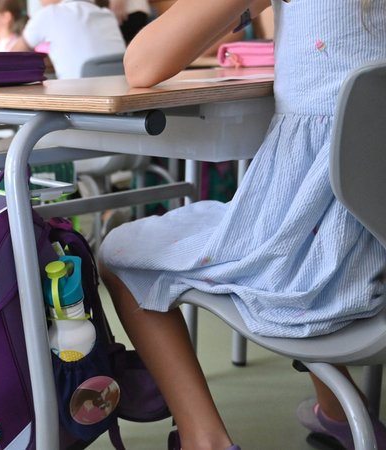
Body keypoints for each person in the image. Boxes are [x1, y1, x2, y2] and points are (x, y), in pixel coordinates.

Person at [98, 1, 386, 449]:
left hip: (321, 272)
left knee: (120, 253)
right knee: (298, 222)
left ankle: (204, 439)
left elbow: (141, 64)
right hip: (371, 246)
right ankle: (338, 416)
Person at [10, 0, 126, 80]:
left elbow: (12, 56)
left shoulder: (49, 14)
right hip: (118, 105)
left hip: (76, 103)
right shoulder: (108, 15)